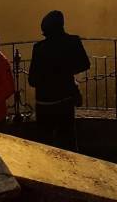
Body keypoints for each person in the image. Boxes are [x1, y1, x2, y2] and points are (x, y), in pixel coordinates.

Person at [27, 10, 90, 151]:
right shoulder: (73, 42)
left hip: (44, 103)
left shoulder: (39, 48)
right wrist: (65, 73)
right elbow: (85, 64)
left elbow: (32, 80)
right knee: (68, 144)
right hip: (65, 100)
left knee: (44, 146)